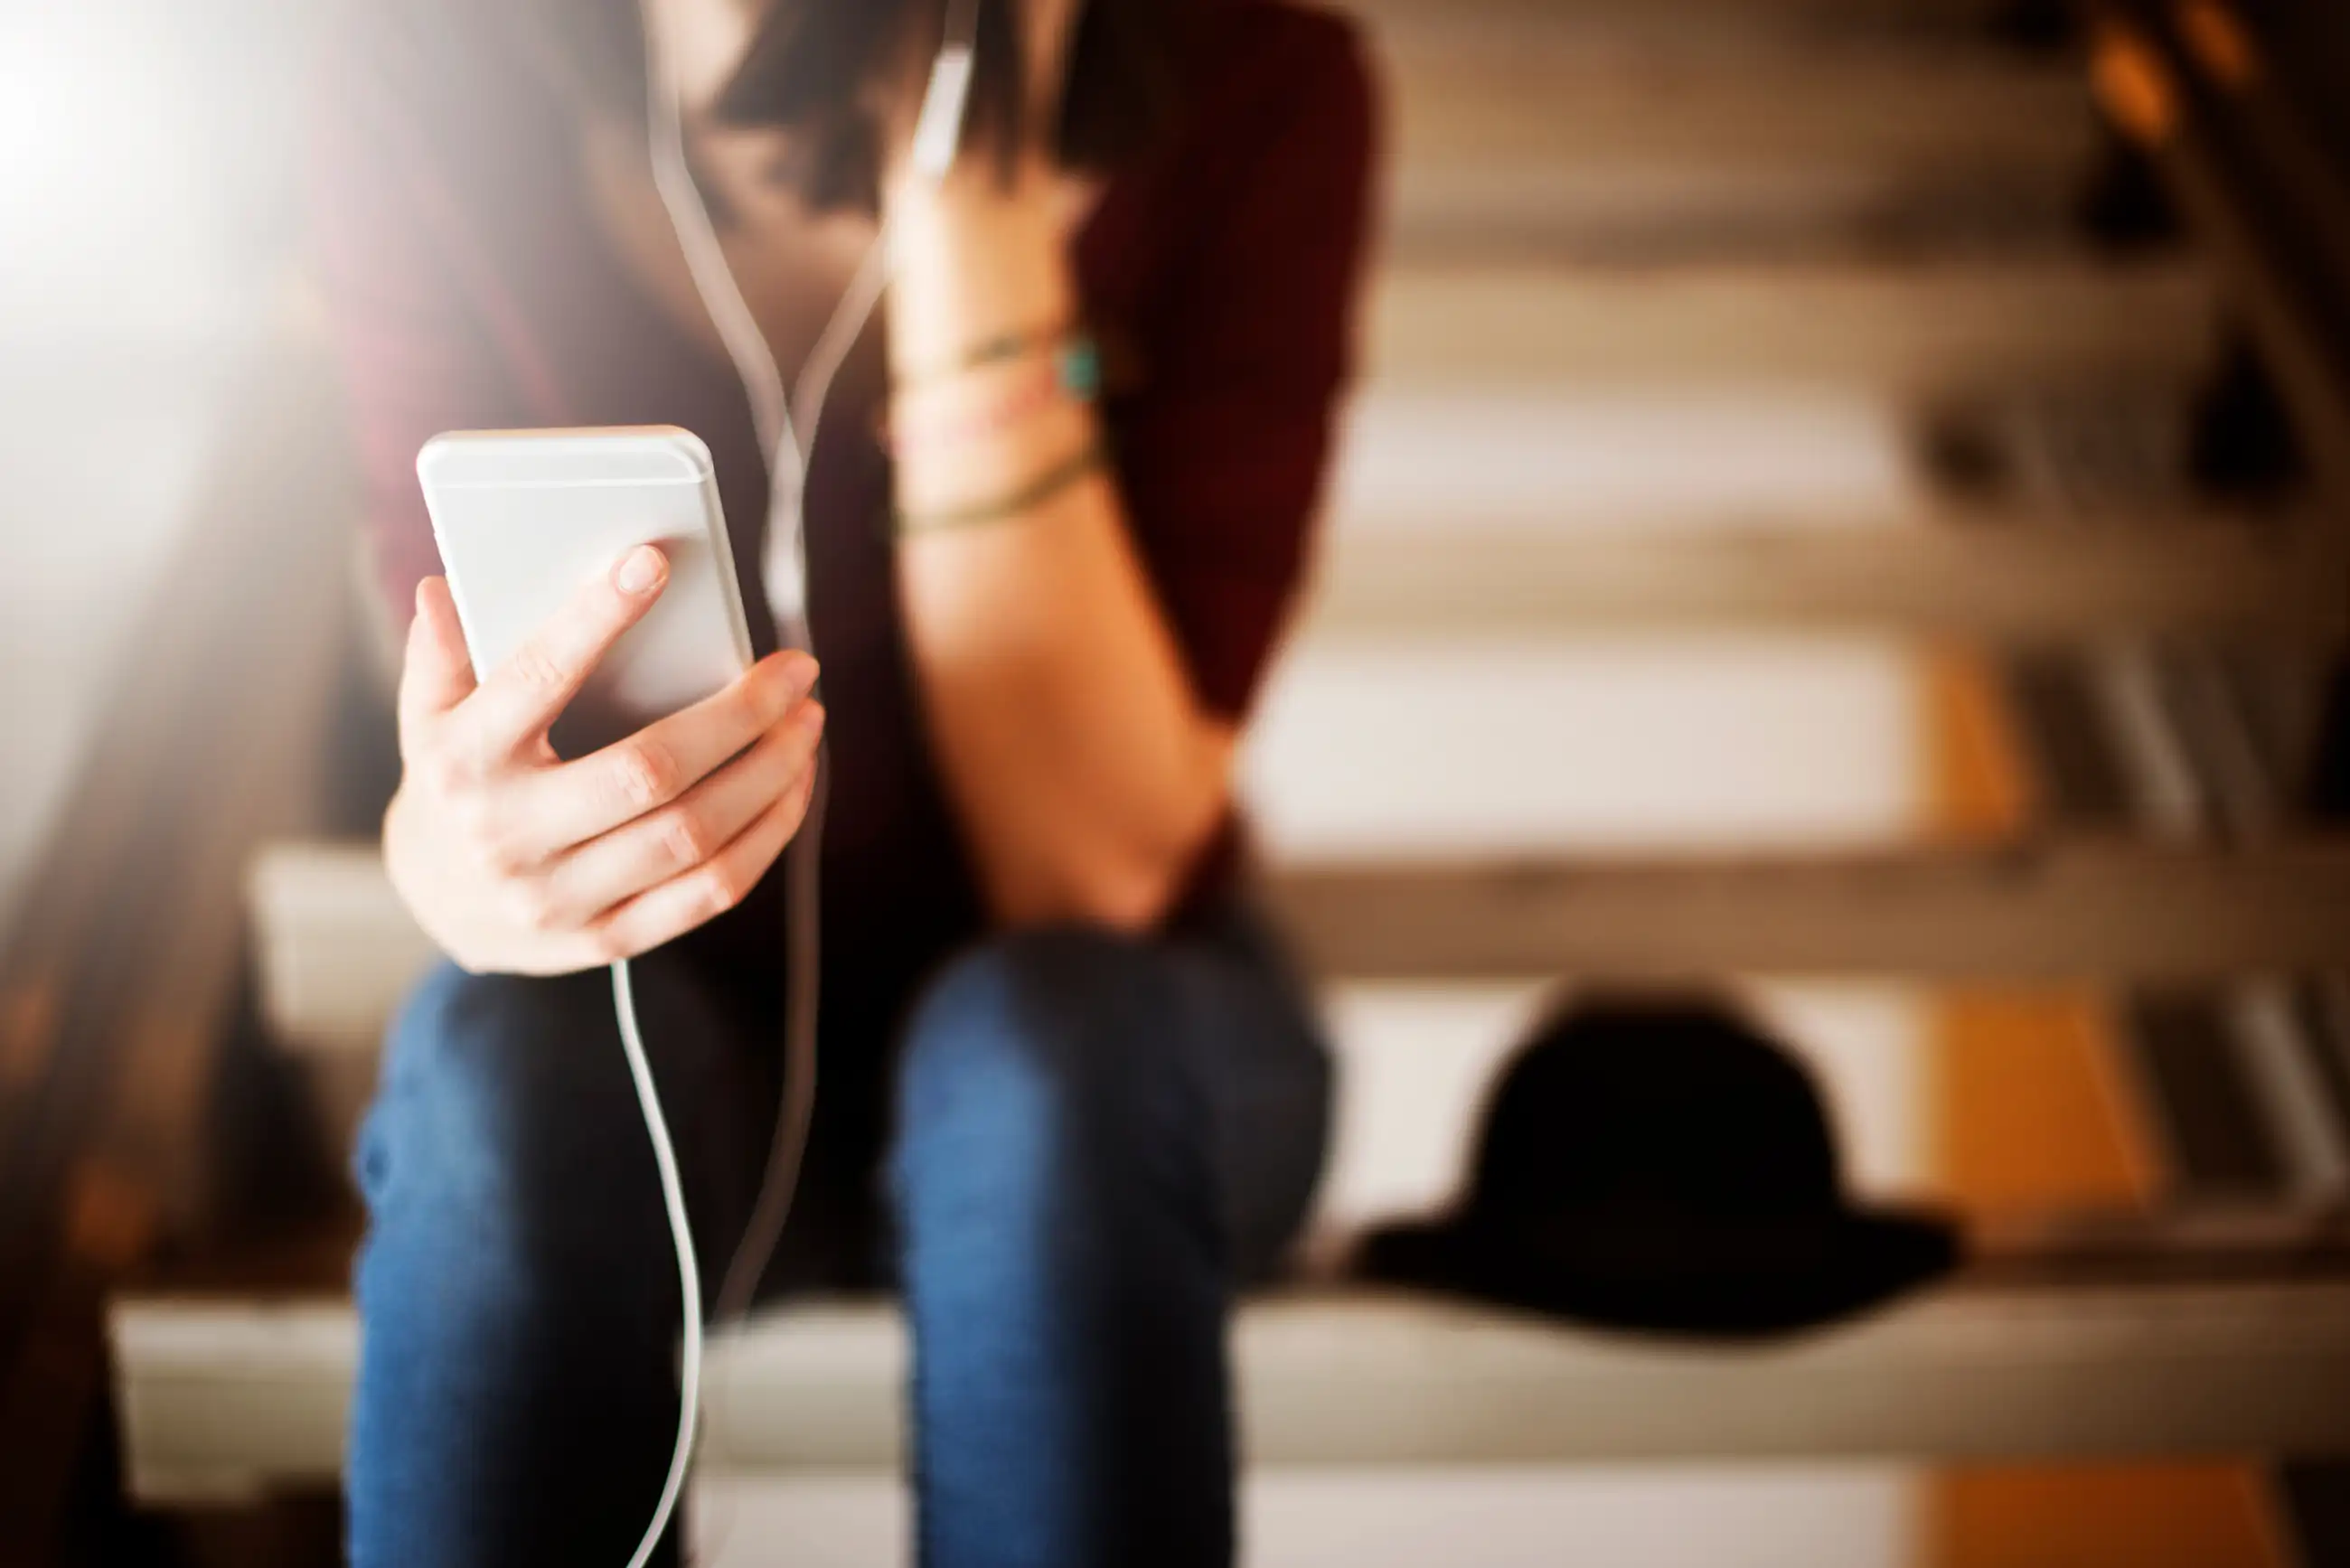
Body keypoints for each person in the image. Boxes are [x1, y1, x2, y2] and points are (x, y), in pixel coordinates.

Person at [310, 0, 1377, 1562]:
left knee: (1040, 1057)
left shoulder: (1266, 89)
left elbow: (1085, 876)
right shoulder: (426, 71)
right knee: (499, 1056)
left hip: (1117, 1056)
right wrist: (454, 863)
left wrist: (964, 189)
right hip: (673, 1065)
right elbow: (449, 675)